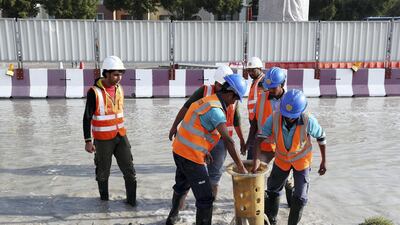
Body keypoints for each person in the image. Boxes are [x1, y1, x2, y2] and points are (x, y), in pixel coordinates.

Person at [166, 74, 248, 225]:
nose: (234, 103)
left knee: (182, 186)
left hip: (179, 150)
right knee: (206, 199)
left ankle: (172, 219)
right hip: (190, 157)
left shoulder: (207, 101)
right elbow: (229, 141)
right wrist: (241, 167)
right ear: (230, 94)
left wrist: (204, 149)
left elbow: (197, 128)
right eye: (235, 99)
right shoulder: (216, 110)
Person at [252, 89, 327, 225]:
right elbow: (259, 138)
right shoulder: (274, 117)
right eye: (286, 115)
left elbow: (321, 138)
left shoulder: (308, 120)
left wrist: (323, 162)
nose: (289, 118)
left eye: (292, 116)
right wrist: (257, 161)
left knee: (300, 196)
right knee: (272, 190)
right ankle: (271, 220)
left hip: (301, 161)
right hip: (281, 160)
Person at [83, 55, 137, 206]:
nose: (119, 77)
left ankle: (132, 204)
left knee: (130, 171)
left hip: (121, 136)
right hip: (102, 140)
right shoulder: (94, 92)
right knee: (102, 173)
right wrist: (88, 141)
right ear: (105, 73)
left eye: (120, 74)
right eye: (115, 74)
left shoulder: (119, 89)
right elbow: (87, 117)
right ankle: (104, 205)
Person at [247, 67, 294, 206]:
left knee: (288, 180)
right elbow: (255, 121)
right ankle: (258, 206)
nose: (270, 90)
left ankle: (290, 205)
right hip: (265, 145)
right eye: (269, 87)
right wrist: (249, 140)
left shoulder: (290, 101)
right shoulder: (262, 97)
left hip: (284, 147)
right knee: (257, 175)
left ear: (282, 84)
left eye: (274, 87)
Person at [243, 56, 265, 160]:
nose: (250, 73)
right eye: (249, 70)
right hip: (254, 122)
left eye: (253, 70)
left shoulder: (262, 82)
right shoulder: (255, 81)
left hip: (259, 123)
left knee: (253, 153)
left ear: (260, 69)